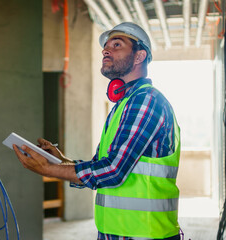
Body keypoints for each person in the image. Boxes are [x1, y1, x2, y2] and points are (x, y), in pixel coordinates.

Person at [13, 22, 181, 240]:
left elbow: (113, 171)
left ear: (139, 57)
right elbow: (102, 166)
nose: (106, 50)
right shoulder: (124, 104)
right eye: (106, 46)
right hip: (118, 232)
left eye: (117, 44)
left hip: (145, 234)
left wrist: (48, 169)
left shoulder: (146, 101)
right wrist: (61, 161)